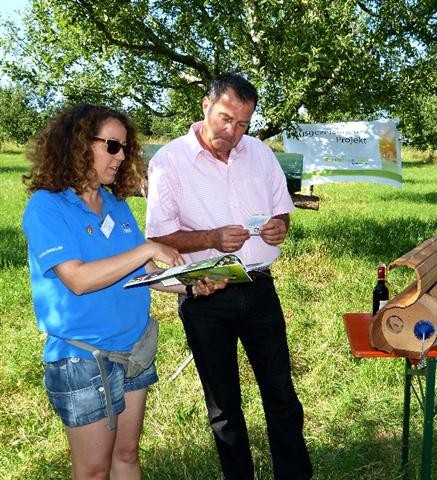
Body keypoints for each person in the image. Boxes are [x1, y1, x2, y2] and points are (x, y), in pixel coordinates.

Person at [22, 104, 226, 480]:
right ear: (79, 145)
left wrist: (191, 284)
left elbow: (146, 273)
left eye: (126, 148)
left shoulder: (116, 205)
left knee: (128, 456)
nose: (121, 157)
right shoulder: (46, 207)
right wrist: (147, 247)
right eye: (113, 147)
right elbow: (78, 280)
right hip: (83, 358)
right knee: (93, 470)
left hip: (134, 348)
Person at [145, 73, 312, 479]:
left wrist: (279, 227)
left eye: (242, 124)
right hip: (204, 293)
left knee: (281, 395)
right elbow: (159, 237)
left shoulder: (259, 153)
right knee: (223, 406)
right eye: (225, 119)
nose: (232, 132)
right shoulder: (168, 162)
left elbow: (282, 210)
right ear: (205, 105)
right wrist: (212, 238)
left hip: (258, 287)